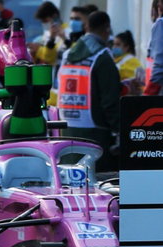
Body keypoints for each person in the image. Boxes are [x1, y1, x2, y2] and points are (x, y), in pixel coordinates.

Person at [56, 10, 121, 152]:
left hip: (67, 133)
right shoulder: (102, 57)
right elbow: (110, 101)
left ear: (86, 27)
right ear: (107, 28)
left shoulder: (67, 55)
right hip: (96, 136)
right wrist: (119, 130)